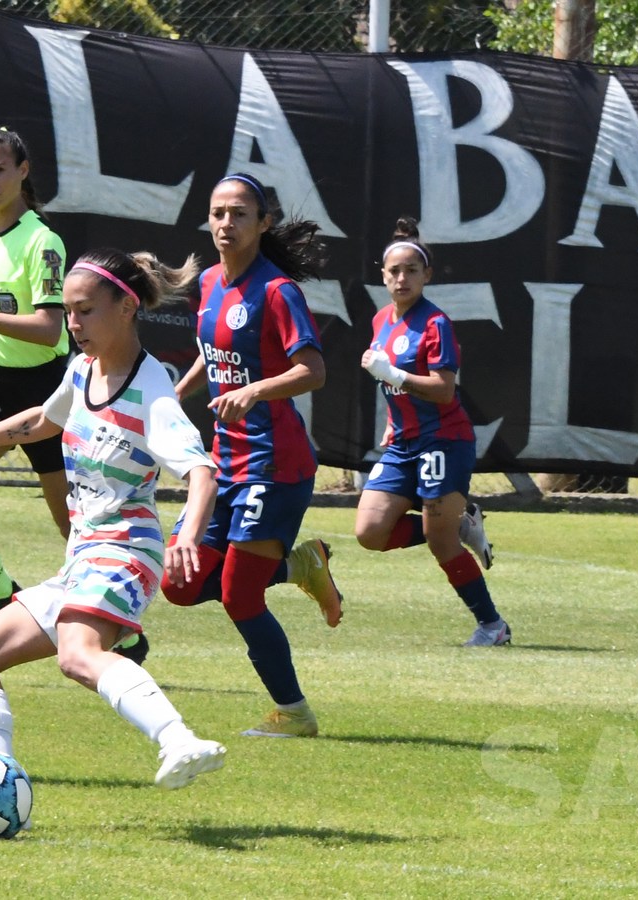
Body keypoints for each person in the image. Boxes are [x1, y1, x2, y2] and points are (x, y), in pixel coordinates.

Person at [0, 248, 226, 789]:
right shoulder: (82, 369)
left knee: (77, 654)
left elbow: (202, 472)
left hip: (128, 548)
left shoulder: (151, 390)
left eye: (85, 311)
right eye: (68, 310)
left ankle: (180, 740)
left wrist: (188, 536)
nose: (72, 324)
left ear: (126, 307)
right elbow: (42, 419)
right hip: (83, 554)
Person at [0, 126, 151, 648]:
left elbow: (50, 329)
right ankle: (2, 592)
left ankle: (121, 628)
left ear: (22, 171)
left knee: (74, 530)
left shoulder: (43, 241)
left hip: (47, 394)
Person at [160, 172, 341, 739]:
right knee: (181, 584)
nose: (225, 223)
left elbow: (313, 370)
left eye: (239, 213)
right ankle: (298, 566)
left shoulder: (277, 290)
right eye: (217, 213)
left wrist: (254, 390)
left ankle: (295, 713)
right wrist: (177, 392)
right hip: (225, 462)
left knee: (240, 595)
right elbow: (212, 351)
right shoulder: (209, 282)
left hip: (276, 464)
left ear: (263, 223)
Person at [356, 216, 507, 647]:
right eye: (394, 271)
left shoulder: (435, 323)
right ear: (383, 276)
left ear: (427, 276)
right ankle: (460, 522)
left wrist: (395, 375)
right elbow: (391, 383)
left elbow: (443, 391)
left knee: (440, 544)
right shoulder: (382, 319)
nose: (402, 278)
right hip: (405, 443)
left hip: (444, 440)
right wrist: (391, 418)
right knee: (369, 533)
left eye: (411, 271)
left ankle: (492, 625)